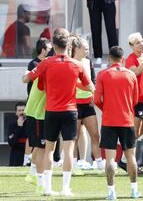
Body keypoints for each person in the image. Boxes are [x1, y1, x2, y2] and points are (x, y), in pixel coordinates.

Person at [22, 28, 94, 196]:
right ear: (68, 45)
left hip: (51, 111)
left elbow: (27, 78)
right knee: (68, 150)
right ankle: (65, 188)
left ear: (53, 45)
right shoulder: (76, 64)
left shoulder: (45, 63)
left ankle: (47, 188)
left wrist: (27, 74)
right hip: (70, 111)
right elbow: (90, 87)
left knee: (49, 149)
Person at [94, 46, 140, 199]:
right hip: (127, 120)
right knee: (131, 156)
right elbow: (135, 99)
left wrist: (105, 109)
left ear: (109, 59)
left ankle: (111, 192)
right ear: (123, 59)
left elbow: (96, 100)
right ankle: (134, 190)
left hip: (109, 121)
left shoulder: (102, 74)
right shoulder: (131, 75)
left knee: (110, 158)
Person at [71, 36, 104, 171]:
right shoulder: (70, 62)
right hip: (74, 104)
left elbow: (93, 80)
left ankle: (99, 162)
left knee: (95, 134)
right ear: (77, 49)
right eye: (85, 48)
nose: (87, 51)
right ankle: (72, 163)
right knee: (74, 136)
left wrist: (93, 94)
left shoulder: (87, 61)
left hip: (88, 104)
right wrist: (88, 88)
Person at [24, 38, 52, 192]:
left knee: (40, 145)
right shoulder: (36, 65)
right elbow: (26, 78)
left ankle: (32, 172)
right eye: (49, 47)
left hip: (41, 110)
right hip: (36, 111)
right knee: (40, 145)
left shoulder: (44, 65)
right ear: (43, 49)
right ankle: (40, 181)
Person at [79, 0, 129, 65]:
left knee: (111, 30)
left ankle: (115, 56)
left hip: (108, 0)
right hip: (94, 1)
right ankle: (98, 56)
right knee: (95, 29)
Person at [8, 102, 27, 166]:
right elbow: (11, 143)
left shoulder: (31, 124)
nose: (21, 112)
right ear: (16, 113)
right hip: (16, 155)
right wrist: (19, 126)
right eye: (19, 110)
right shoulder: (12, 125)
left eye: (23, 110)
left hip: (29, 153)